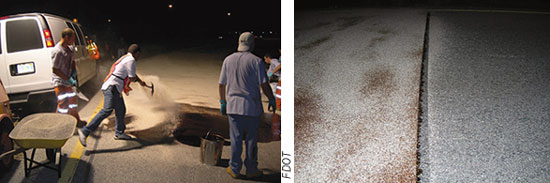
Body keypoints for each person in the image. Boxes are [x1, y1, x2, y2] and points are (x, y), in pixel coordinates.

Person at [219, 32, 276, 179]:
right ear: (252, 44)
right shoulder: (256, 61)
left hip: (233, 107)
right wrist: (271, 99)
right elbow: (264, 84)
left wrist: (223, 102)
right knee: (251, 140)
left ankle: (235, 169)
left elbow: (221, 84)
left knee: (236, 139)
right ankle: (251, 169)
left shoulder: (228, 60)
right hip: (251, 108)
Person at [77, 44, 146, 147]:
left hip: (114, 87)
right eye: (139, 55)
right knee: (107, 110)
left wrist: (141, 82)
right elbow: (131, 77)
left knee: (121, 109)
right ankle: (85, 131)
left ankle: (119, 133)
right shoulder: (131, 60)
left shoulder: (125, 58)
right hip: (112, 87)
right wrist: (138, 81)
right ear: (137, 53)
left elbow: (132, 75)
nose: (138, 57)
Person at [52, 28, 83, 123]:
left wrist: (74, 74)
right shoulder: (57, 51)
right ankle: (60, 125)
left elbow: (72, 61)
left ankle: (76, 121)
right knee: (63, 105)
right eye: (72, 38)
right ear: (66, 37)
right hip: (60, 82)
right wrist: (68, 79)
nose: (73, 41)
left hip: (68, 81)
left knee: (73, 101)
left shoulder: (69, 49)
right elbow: (55, 69)